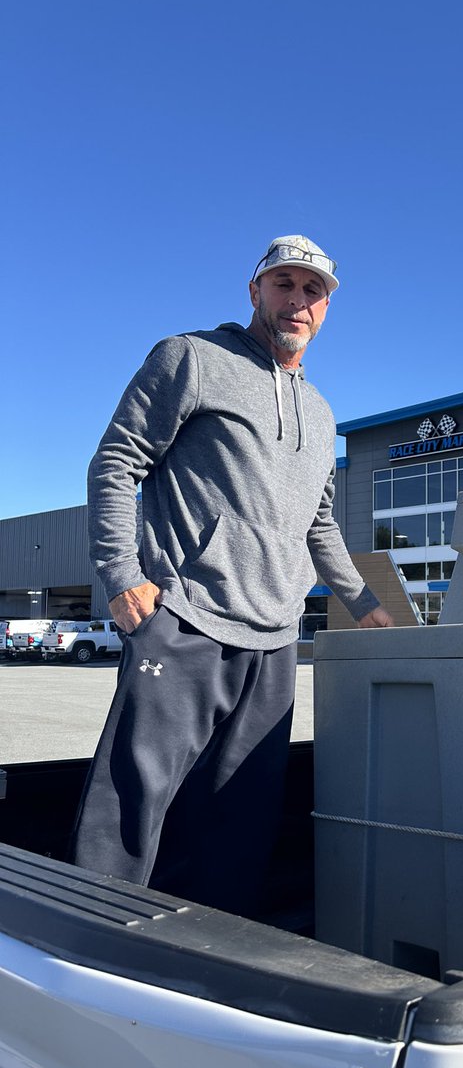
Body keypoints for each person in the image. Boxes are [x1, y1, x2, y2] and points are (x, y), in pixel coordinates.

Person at [71, 234, 393, 913]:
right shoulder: (191, 357)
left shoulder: (321, 412)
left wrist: (367, 605)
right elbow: (116, 462)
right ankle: (86, 953)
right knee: (132, 807)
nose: (298, 300)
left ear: (327, 308)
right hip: (186, 621)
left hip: (274, 639)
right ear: (255, 291)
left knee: (241, 822)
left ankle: (215, 962)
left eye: (314, 291)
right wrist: (122, 575)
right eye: (284, 284)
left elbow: (320, 526)